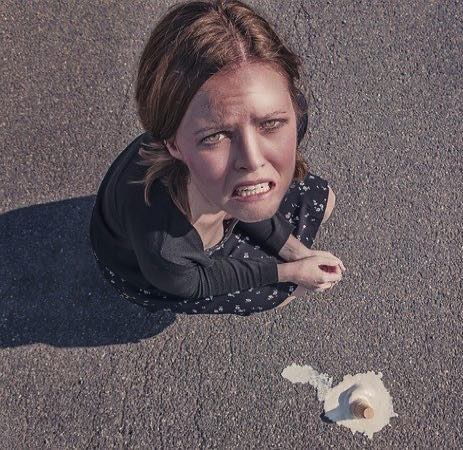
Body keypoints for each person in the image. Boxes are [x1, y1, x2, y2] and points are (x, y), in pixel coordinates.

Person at [89, 0, 346, 315]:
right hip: (151, 271)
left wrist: (298, 252)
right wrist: (291, 272)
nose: (252, 160)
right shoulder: (164, 246)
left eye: (270, 124)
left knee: (325, 201)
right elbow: (201, 280)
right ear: (172, 144)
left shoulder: (288, 119)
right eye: (215, 136)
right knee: (284, 291)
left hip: (215, 201)